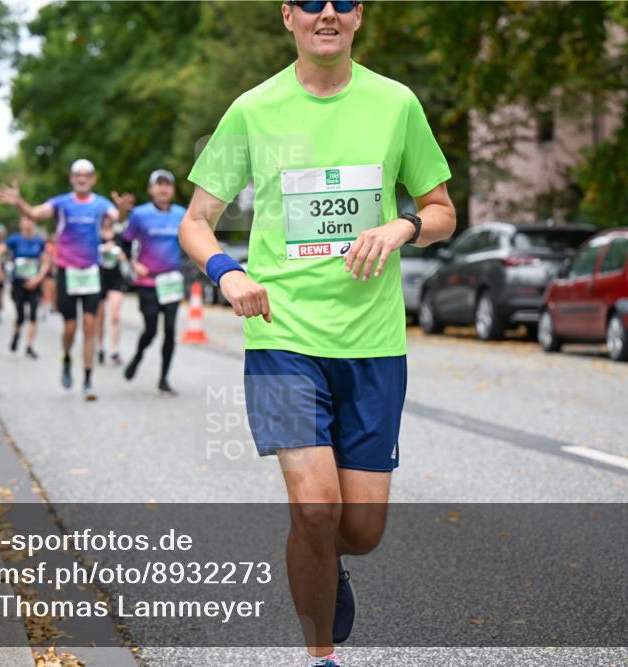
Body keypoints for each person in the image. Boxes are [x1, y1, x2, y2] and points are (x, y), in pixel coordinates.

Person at [178, 2, 456, 665]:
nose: (325, 11)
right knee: (313, 506)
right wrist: (227, 272)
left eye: (342, 0)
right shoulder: (253, 109)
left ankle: (326, 556)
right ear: (288, 15)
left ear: (360, 16)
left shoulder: (396, 105)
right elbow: (195, 220)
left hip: (372, 344)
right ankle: (321, 654)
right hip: (281, 338)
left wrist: (403, 226)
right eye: (310, 0)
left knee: (357, 526)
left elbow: (444, 210)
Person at [0, 159, 123, 401]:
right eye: (77, 175)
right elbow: (34, 213)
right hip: (67, 271)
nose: (82, 179)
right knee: (70, 328)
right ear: (71, 179)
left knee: (89, 325)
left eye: (87, 175)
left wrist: (123, 209)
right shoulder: (61, 203)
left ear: (93, 179)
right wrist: (19, 203)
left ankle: (87, 380)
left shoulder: (101, 204)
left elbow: (116, 216)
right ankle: (66, 357)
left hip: (91, 272)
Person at [120, 170, 186, 394]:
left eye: (167, 185)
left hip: (172, 283)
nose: (163, 189)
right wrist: (133, 263)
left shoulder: (182, 214)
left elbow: (192, 242)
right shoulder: (139, 215)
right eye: (158, 185)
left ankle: (164, 378)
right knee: (150, 331)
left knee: (170, 330)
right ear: (151, 190)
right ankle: (138, 356)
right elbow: (125, 243)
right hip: (148, 283)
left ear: (173, 190)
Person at [0, 216, 50, 358]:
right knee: (20, 315)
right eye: (25, 221)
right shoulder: (15, 240)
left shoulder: (39, 241)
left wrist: (39, 278)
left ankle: (30, 346)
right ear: (21, 224)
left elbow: (46, 261)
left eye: (30, 221)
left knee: (34, 314)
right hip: (19, 283)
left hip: (34, 283)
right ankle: (17, 333)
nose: (27, 224)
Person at [97, 191, 136, 365]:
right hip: (98, 278)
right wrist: (102, 250)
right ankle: (100, 347)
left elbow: (128, 254)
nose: (107, 220)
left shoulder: (120, 236)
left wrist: (121, 256)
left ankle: (114, 350)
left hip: (116, 278)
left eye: (109, 217)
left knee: (114, 314)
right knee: (99, 316)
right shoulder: (94, 236)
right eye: (104, 217)